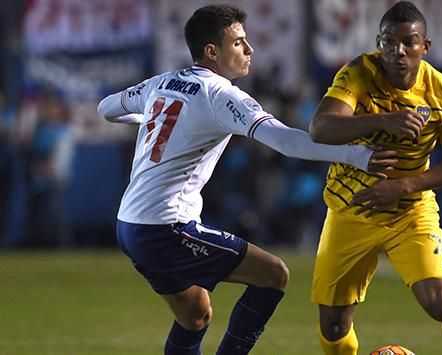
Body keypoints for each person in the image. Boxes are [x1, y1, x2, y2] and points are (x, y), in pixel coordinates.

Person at [97, 5, 396, 355]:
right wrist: (358, 155)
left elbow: (106, 107)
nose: (249, 49)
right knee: (274, 274)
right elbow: (286, 142)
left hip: (130, 225)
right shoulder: (221, 96)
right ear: (212, 51)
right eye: (239, 43)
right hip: (166, 228)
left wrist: (157, 120)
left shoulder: (161, 83)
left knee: (195, 314)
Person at [308, 2, 442, 354]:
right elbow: (320, 128)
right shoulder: (358, 73)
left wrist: (403, 186)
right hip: (352, 208)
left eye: (409, 42)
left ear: (425, 46)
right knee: (333, 325)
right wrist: (383, 121)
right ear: (378, 43)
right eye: (389, 42)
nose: (398, 51)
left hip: (409, 209)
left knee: (439, 302)